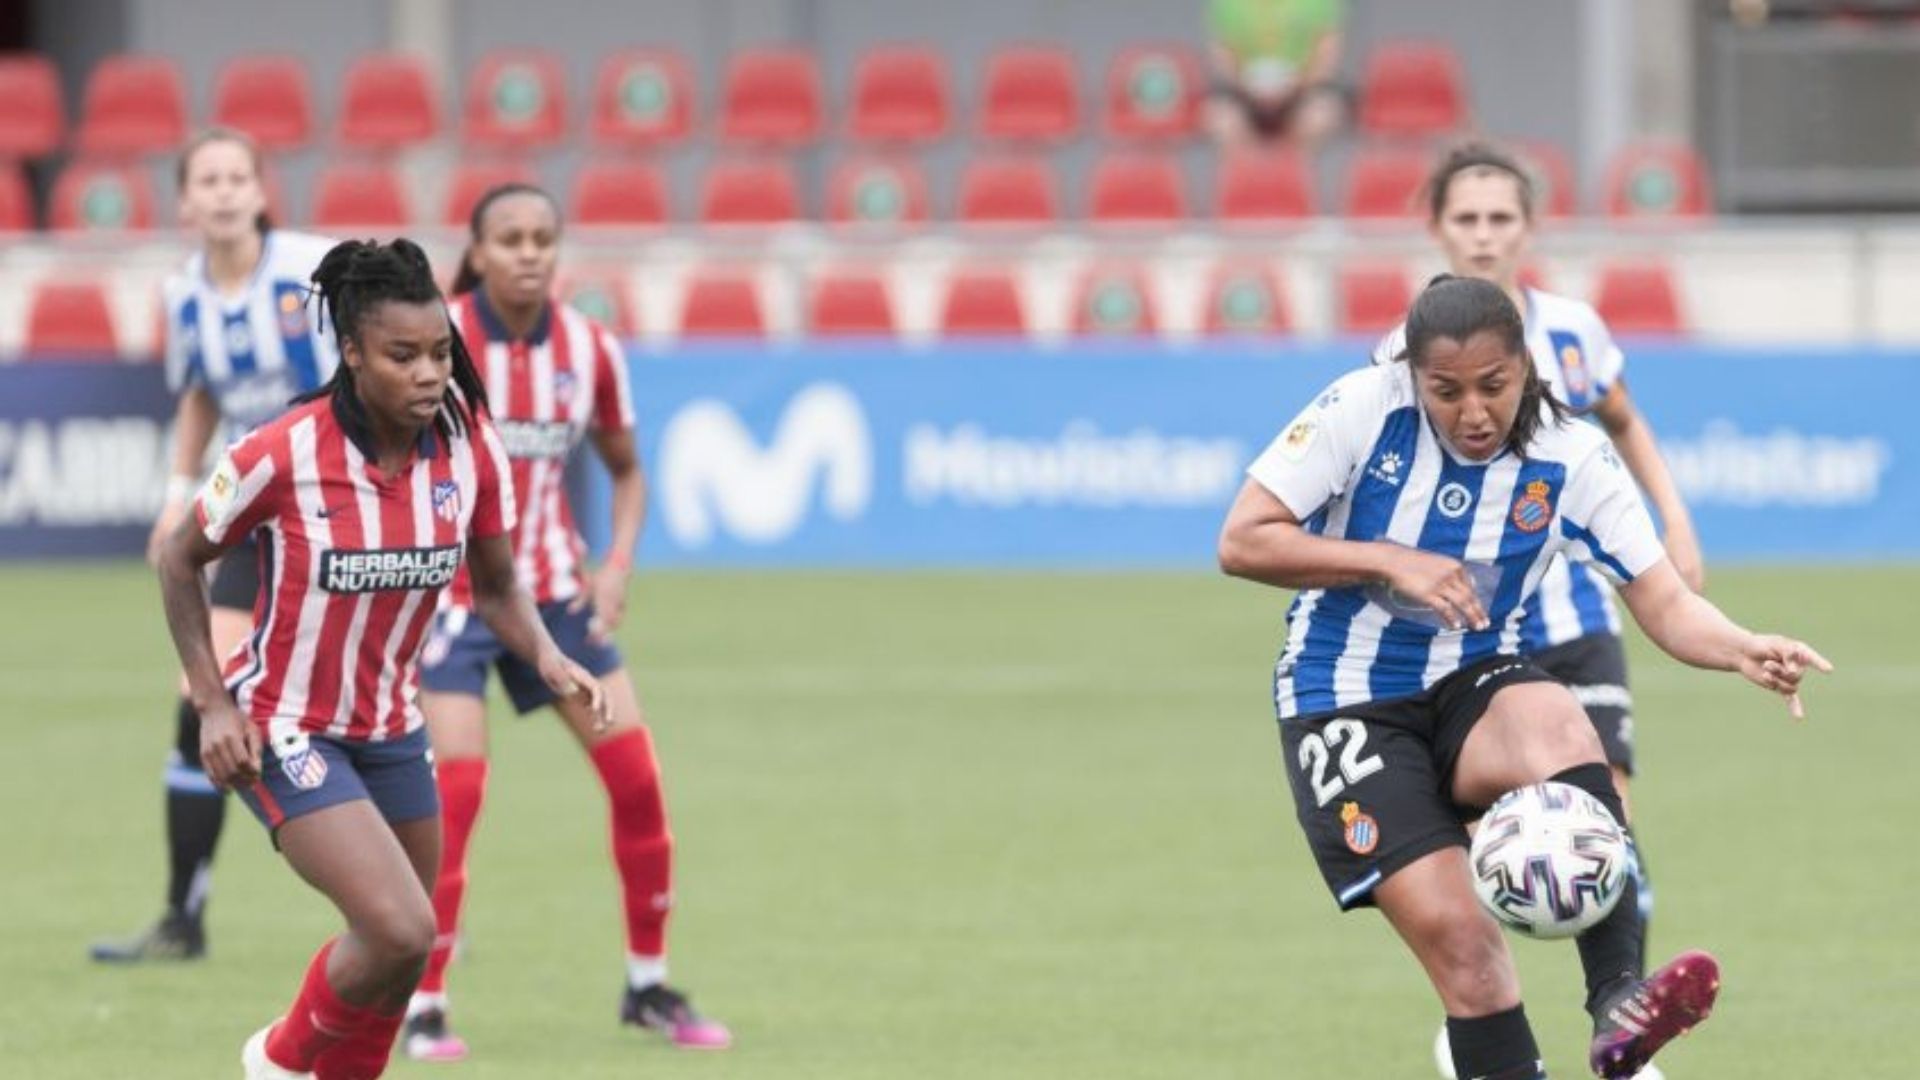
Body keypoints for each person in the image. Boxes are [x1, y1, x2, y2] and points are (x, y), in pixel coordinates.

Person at [1217, 275, 1829, 1080]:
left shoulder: (1571, 456)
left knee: (1557, 721)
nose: (1472, 412)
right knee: (1472, 958)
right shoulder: (1361, 409)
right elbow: (1244, 540)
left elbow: (1665, 601)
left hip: (1471, 674)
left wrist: (1743, 647)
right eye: (1446, 391)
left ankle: (1617, 1002)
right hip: (1344, 701)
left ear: (1526, 371)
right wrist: (1390, 560)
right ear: (1413, 378)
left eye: (1493, 387)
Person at [156, 236, 609, 1080]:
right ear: (355, 353)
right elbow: (178, 559)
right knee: (399, 926)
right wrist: (214, 704)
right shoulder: (280, 451)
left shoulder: (469, 448)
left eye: (441, 352)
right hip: (287, 727)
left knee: (406, 954)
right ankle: (280, 1062)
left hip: (393, 727)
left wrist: (547, 656)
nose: (430, 372)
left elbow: (500, 584)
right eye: (404, 356)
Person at [1372, 141, 1707, 1079]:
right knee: (1494, 838)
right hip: (1469, 637)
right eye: (1466, 220)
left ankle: (1622, 1028)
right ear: (1437, 228)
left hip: (1574, 616)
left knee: (1604, 811)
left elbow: (1624, 422)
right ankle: (1480, 1014)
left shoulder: (1572, 332)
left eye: (1499, 219)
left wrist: (1672, 525)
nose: (1483, 237)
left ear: (1528, 228)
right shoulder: (1407, 352)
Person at [401, 182, 729, 1062]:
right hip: (458, 606)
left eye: (543, 237)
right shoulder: (439, 340)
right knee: (455, 802)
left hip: (556, 600)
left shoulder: (590, 349)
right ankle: (424, 1002)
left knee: (637, 784)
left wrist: (615, 563)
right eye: (509, 237)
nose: (529, 252)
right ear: (477, 247)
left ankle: (648, 985)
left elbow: (627, 469)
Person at [93, 128, 341, 964]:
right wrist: (176, 496)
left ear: (262, 190)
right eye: (211, 178)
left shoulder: (314, 271)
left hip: (335, 515)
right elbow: (200, 391)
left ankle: (402, 904)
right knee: (203, 697)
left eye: (241, 175)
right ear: (186, 200)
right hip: (249, 519)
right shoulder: (185, 296)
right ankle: (182, 916)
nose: (228, 190)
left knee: (357, 707)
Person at [1203, 0, 1349, 150]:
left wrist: (1297, 86)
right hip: (1245, 91)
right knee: (1220, 118)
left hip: (1303, 90)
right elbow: (1223, 57)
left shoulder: (1320, 3)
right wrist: (1247, 86)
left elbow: (1326, 57)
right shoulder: (1227, 4)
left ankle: (1294, 168)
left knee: (1319, 115)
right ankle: (1246, 169)